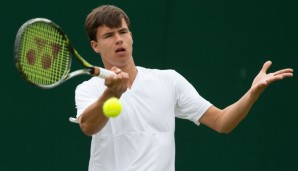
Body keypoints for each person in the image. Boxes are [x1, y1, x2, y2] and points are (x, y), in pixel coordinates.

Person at [74, 5, 293, 171]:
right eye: (109, 35)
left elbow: (222, 122)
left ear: (131, 37)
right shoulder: (88, 89)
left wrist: (252, 93)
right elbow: (88, 126)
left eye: (123, 32)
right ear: (95, 45)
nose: (119, 39)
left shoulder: (169, 80)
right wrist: (111, 93)